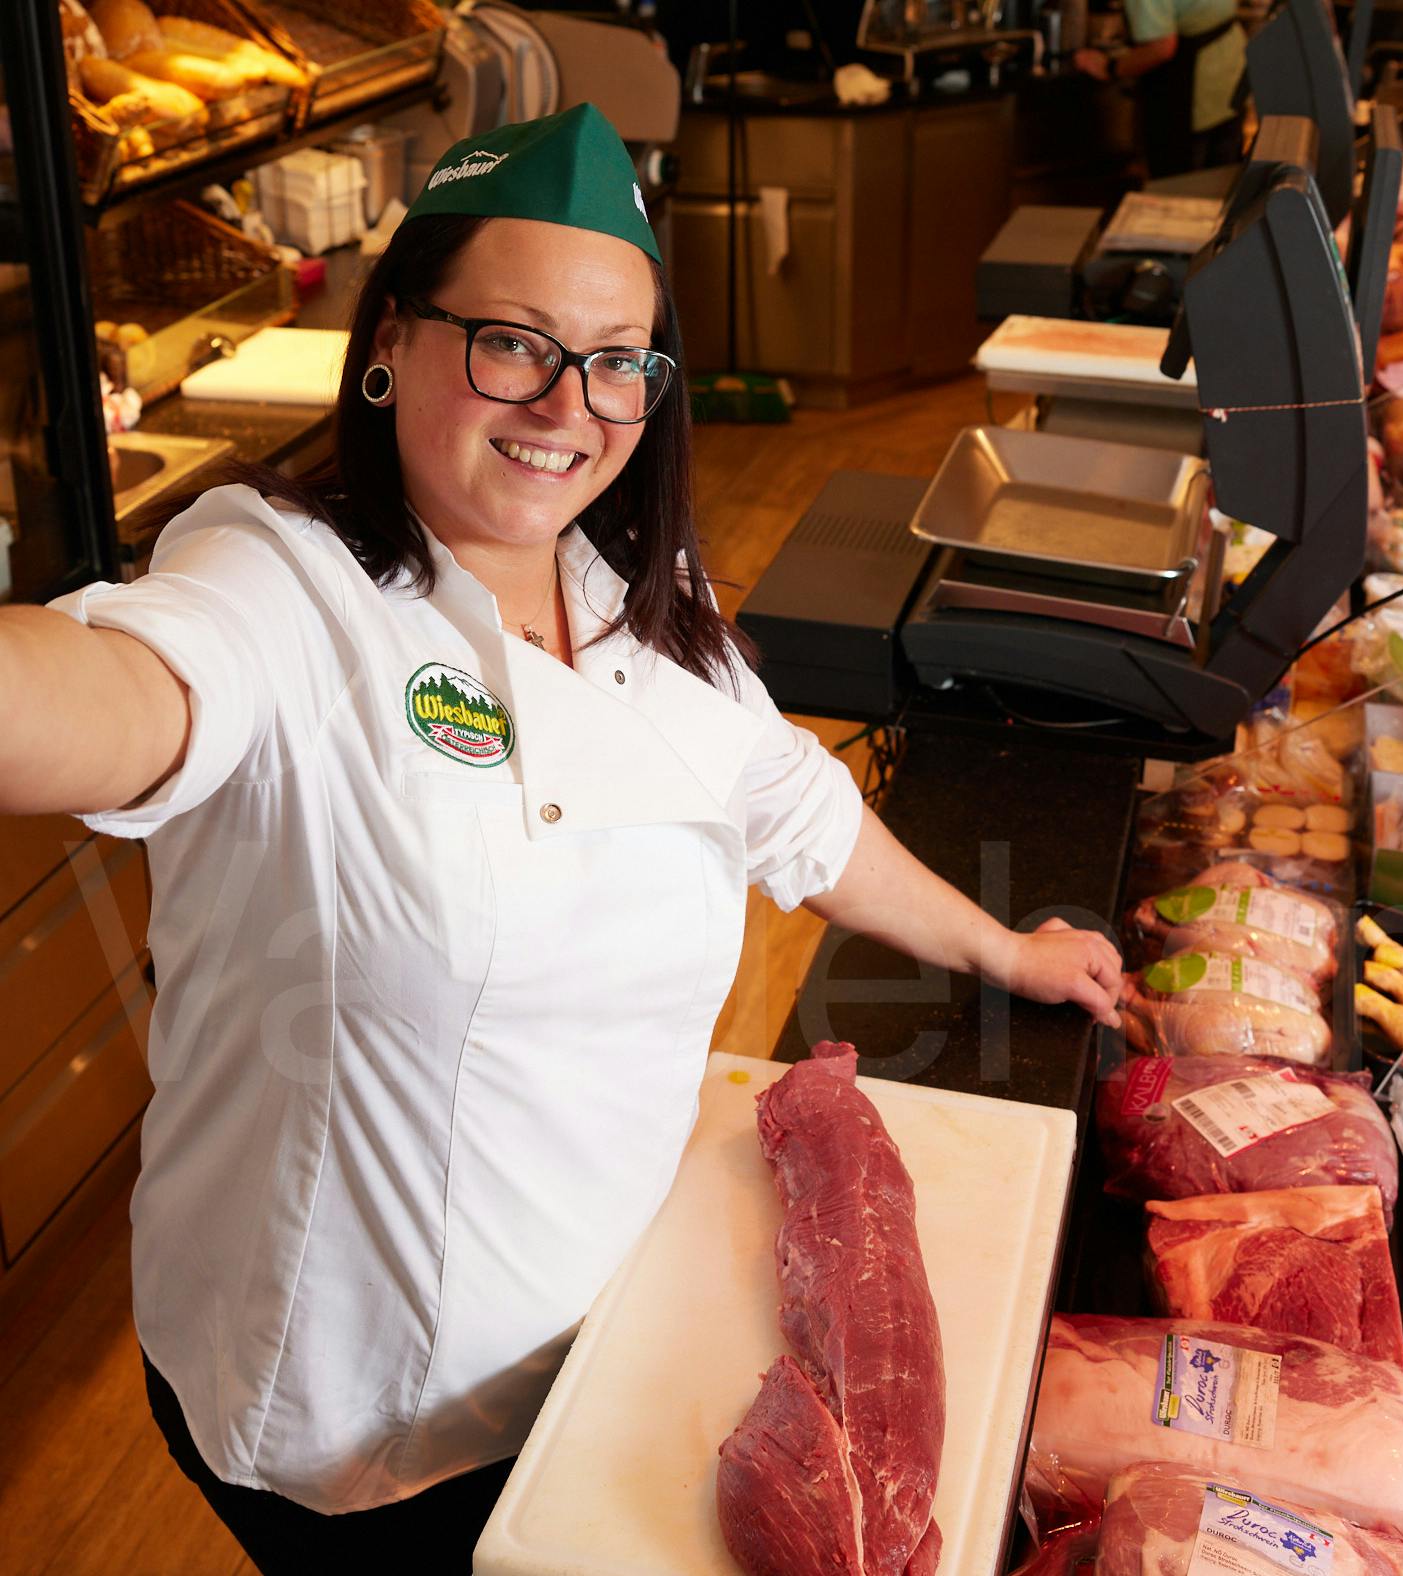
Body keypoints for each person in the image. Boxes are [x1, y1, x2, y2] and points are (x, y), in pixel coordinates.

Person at [0, 106, 1123, 1572]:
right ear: (392, 340)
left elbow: (789, 801)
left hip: (602, 1360)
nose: (567, 405)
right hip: (363, 1435)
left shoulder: (637, 605)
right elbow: (106, 693)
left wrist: (1001, 946)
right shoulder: (281, 588)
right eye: (515, 342)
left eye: (615, 363)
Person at [1075, 0, 1247, 178]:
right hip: (1230, 74)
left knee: (1180, 189)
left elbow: (1161, 47)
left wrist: (1110, 67)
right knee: (1222, 180)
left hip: (1193, 93)